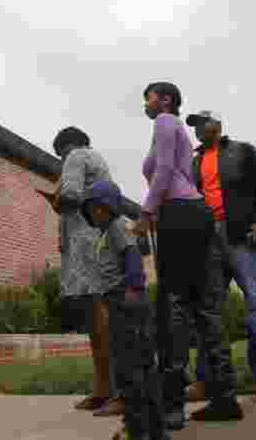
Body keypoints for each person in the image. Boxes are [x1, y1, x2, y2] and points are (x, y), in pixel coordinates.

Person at [134, 82, 241, 429]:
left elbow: (163, 172)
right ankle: (225, 398)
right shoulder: (173, 127)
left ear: (165, 99)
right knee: (206, 307)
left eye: (148, 96)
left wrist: (146, 213)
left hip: (178, 215)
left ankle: (173, 405)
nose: (145, 102)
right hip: (196, 215)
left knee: (174, 308)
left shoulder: (165, 122)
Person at [181, 110, 256, 404]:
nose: (200, 129)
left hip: (240, 236)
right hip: (206, 240)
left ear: (218, 124)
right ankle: (208, 379)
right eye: (196, 126)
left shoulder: (242, 151)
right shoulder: (194, 160)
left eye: (204, 122)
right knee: (208, 308)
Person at [82, 180, 169, 440]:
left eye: (99, 208)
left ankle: (138, 429)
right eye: (91, 209)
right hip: (122, 302)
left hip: (126, 302)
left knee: (130, 369)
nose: (95, 213)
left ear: (110, 207)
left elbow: (132, 255)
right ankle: (153, 429)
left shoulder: (117, 227)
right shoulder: (107, 232)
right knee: (140, 367)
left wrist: (132, 289)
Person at [52, 126, 119, 416]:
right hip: (98, 242)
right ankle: (104, 390)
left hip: (86, 244)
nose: (62, 159)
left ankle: (112, 392)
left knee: (99, 316)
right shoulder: (97, 159)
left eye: (60, 153)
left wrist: (55, 199)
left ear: (67, 146)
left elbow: (69, 194)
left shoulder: (76, 156)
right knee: (100, 317)